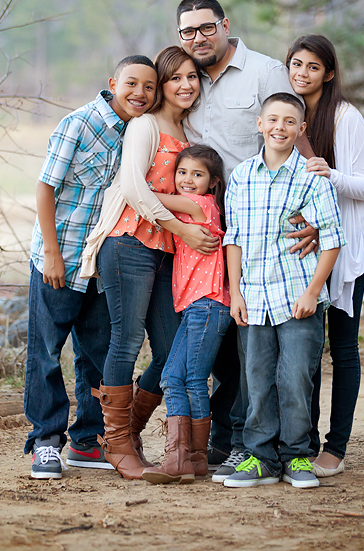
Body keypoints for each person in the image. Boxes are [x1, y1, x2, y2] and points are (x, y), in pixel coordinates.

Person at [176, 0, 318, 480]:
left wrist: (313, 203)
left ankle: (277, 446)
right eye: (188, 31)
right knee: (228, 344)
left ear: (224, 25)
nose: (198, 38)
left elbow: (292, 132)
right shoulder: (188, 79)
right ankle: (231, 440)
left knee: (279, 352)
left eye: (205, 27)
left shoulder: (262, 72)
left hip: (270, 231)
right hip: (210, 233)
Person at [81, 47, 218, 481]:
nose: (185, 85)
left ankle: (129, 430)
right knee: (125, 340)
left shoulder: (190, 129)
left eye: (192, 76)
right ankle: (119, 445)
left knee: (171, 348)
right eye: (174, 78)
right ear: (163, 85)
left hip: (166, 253)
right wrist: (182, 227)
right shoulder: (144, 126)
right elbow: (133, 188)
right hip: (128, 242)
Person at [25, 55, 158, 479]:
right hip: (60, 258)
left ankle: (86, 441)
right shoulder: (78, 124)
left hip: (101, 263)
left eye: (149, 87)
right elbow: (46, 189)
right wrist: (51, 252)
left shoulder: (139, 133)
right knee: (46, 351)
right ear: (113, 83)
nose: (140, 93)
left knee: (96, 356)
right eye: (132, 84)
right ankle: (46, 441)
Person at [223, 92, 345, 489]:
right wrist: (235, 292)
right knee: (256, 379)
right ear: (259, 124)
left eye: (290, 122)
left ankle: (296, 456)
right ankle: (261, 458)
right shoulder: (242, 176)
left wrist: (313, 292)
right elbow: (234, 238)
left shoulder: (311, 177)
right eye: (272, 120)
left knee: (295, 378)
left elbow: (331, 238)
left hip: (298, 297)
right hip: (254, 297)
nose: (280, 127)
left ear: (301, 129)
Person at [286, 35, 364, 477]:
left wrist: (329, 171)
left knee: (342, 349)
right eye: (296, 64)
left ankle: (335, 448)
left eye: (312, 67)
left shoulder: (345, 116)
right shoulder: (290, 115)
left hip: (347, 253)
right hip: (304, 251)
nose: (302, 73)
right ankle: (301, 443)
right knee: (306, 349)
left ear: (329, 73)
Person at [141, 145, 231, 485]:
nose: (188, 180)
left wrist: (136, 185)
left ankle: (186, 456)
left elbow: (157, 199)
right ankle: (187, 459)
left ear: (212, 183)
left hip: (207, 305)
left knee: (189, 379)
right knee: (173, 377)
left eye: (197, 174)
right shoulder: (189, 213)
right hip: (197, 307)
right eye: (182, 173)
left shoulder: (202, 205)